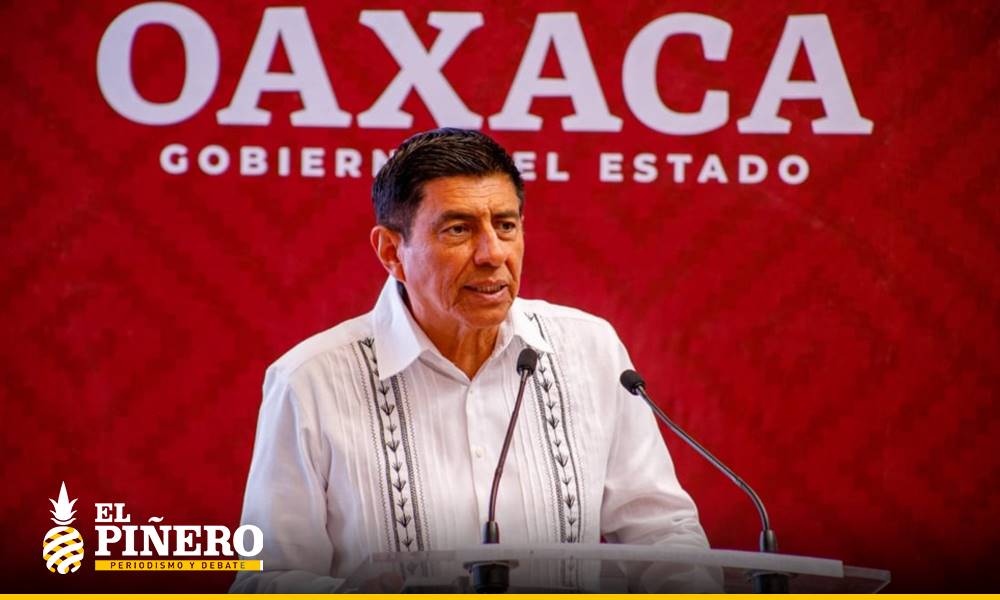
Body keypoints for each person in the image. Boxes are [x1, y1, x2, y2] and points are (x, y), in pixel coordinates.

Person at [231, 128, 713, 593]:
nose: (492, 253)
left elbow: (662, 533)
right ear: (392, 252)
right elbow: (262, 579)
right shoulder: (309, 381)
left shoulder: (591, 349)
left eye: (506, 226)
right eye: (458, 229)